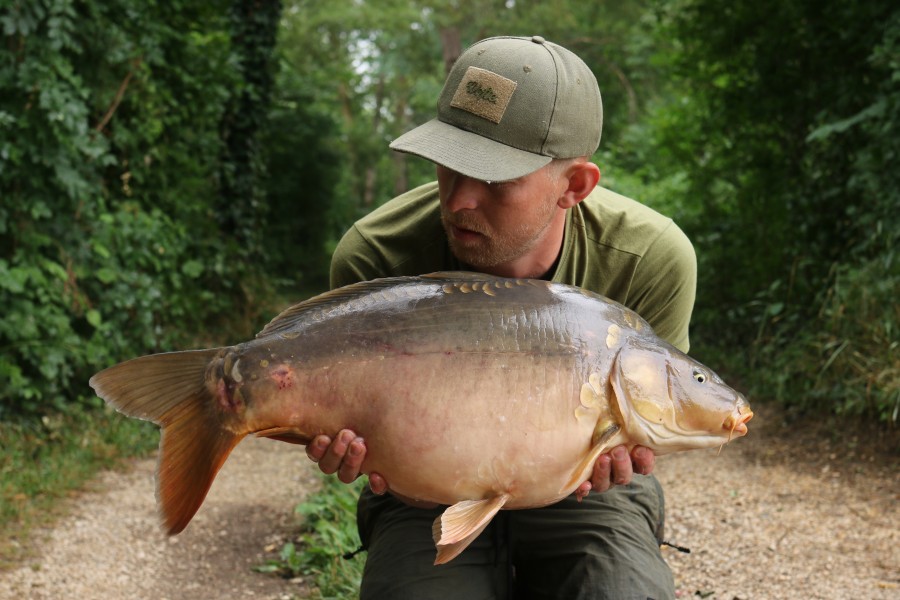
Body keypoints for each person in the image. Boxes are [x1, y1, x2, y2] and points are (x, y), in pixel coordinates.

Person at [306, 35, 696, 599]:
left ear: (575, 185)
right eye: (449, 165)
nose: (460, 200)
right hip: (426, 488)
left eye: (493, 179)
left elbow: (652, 422)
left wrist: (623, 455)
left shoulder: (652, 259)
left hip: (586, 493)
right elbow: (350, 426)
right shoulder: (376, 256)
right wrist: (360, 450)